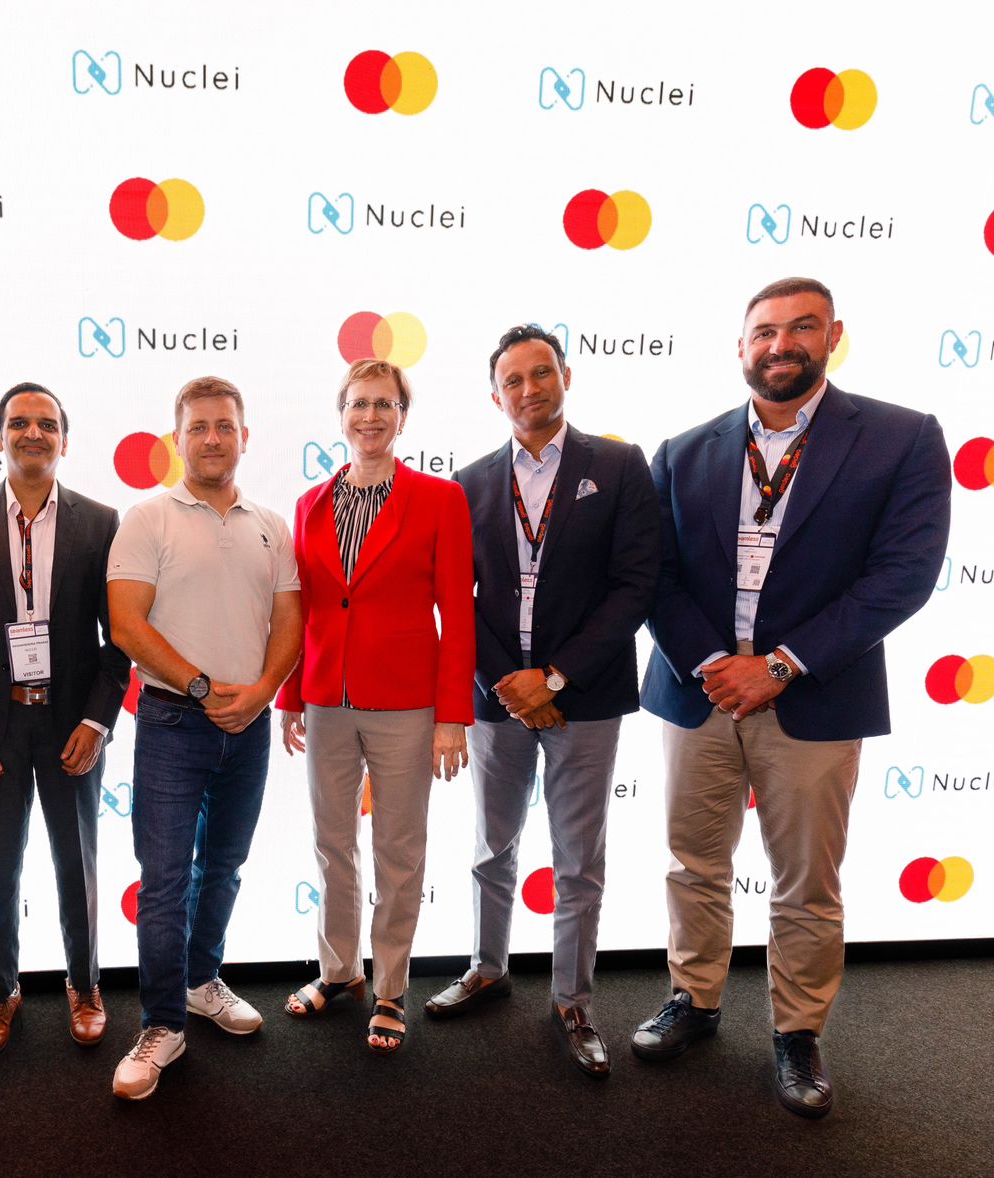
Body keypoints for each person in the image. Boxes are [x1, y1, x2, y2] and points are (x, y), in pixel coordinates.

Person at [635, 278, 951, 1117]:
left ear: (833, 335)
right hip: (701, 692)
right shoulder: (683, 450)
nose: (782, 345)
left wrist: (778, 666)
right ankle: (693, 999)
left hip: (814, 693)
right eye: (765, 331)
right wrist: (716, 663)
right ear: (740, 347)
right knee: (693, 864)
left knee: (806, 880)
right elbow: (653, 576)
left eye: (802, 327)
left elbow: (903, 576)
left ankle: (797, 1031)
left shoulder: (902, 439)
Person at [428, 326, 660, 1077]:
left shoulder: (618, 465)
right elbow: (456, 597)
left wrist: (554, 679)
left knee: (578, 860)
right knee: (492, 846)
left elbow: (635, 584)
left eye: (541, 373)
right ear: (494, 395)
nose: (529, 389)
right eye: (513, 380)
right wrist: (513, 685)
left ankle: (573, 1001)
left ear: (566, 376)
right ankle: (487, 968)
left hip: (584, 697)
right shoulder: (469, 482)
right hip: (499, 696)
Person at [105, 375, 302, 1099]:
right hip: (172, 723)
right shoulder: (148, 518)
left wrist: (262, 692)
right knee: (164, 880)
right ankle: (162, 1025)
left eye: (224, 426)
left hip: (248, 725)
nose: (212, 438)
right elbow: (127, 625)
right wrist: (199, 688)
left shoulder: (270, 524)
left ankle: (201, 981)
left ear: (244, 437)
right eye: (198, 427)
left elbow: (290, 620)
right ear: (177, 437)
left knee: (223, 867)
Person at [277, 359, 473, 1054]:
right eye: (359, 403)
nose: (370, 416)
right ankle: (340, 972)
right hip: (325, 698)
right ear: (341, 415)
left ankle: (390, 988)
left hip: (406, 701)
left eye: (384, 404)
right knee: (332, 843)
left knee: (397, 849)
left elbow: (458, 614)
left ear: (402, 417)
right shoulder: (310, 503)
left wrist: (452, 716)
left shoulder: (440, 499)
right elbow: (302, 609)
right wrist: (290, 694)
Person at [0, 381, 130, 1060]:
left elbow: (119, 639)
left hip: (72, 726)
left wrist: (98, 722)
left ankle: (85, 986)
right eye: (19, 423)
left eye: (47, 423)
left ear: (64, 441)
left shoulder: (100, 522)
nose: (33, 433)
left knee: (78, 863)